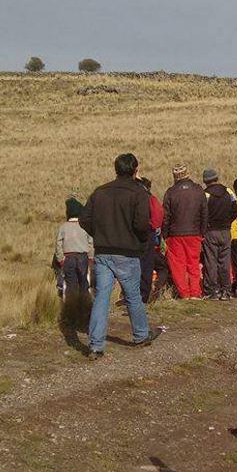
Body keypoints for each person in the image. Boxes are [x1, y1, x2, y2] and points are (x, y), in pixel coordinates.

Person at [79, 153, 155, 360]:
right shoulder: (138, 193)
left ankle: (95, 345)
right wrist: (139, 240)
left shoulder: (99, 192)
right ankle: (140, 335)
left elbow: (84, 219)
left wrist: (101, 234)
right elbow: (141, 224)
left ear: (115, 169)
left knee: (101, 298)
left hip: (103, 251)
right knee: (132, 296)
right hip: (128, 252)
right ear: (135, 170)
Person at [162, 164, 208, 300]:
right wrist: (202, 232)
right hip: (195, 233)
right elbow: (204, 212)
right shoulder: (198, 190)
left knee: (178, 265)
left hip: (175, 234)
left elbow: (166, 216)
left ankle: (184, 294)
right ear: (188, 174)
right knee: (193, 263)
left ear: (175, 177)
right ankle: (195, 293)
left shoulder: (170, 192)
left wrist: (165, 235)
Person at [201, 168, 237, 300]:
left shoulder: (205, 194)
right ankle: (226, 291)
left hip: (211, 232)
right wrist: (228, 221)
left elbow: (202, 213)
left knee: (211, 261)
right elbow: (236, 210)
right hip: (226, 231)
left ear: (205, 181)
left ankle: (212, 290)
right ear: (216, 178)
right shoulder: (228, 191)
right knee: (225, 261)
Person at [55, 197, 93, 296]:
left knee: (71, 284)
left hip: (68, 258)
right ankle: (85, 305)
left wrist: (60, 259)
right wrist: (91, 258)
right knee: (84, 282)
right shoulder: (84, 226)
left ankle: (71, 306)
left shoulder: (63, 227)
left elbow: (58, 245)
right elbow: (91, 243)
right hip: (83, 257)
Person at [139, 177, 164, 303]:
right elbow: (158, 218)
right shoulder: (151, 199)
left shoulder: (135, 197)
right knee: (149, 267)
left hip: (135, 236)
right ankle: (150, 294)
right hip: (149, 235)